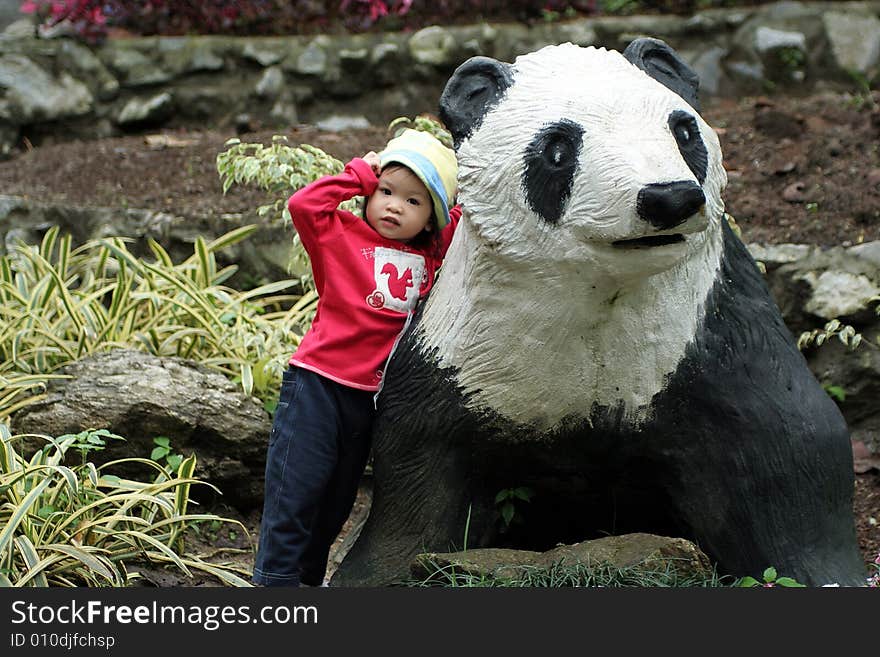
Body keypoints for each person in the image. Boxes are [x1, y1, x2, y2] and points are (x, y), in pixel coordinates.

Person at [252, 128, 460, 586]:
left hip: (369, 402)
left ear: (430, 219)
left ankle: (306, 584)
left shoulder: (430, 253)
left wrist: (457, 185)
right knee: (295, 497)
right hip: (317, 387)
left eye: (412, 201)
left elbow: (465, 222)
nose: (393, 206)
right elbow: (304, 204)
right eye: (386, 192)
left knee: (333, 508)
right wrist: (359, 175)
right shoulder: (338, 234)